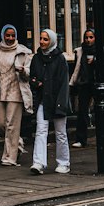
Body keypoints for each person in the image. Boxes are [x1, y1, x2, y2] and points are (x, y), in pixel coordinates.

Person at [0, 24, 32, 166]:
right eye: (8, 35)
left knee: (12, 125)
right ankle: (17, 143)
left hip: (16, 92)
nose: (10, 38)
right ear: (3, 35)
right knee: (0, 123)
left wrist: (23, 71)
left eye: (13, 35)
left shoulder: (23, 51)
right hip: (0, 91)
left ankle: (9, 157)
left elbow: (29, 74)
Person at [29, 27, 71, 175]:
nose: (42, 42)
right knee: (41, 130)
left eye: (45, 39)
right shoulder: (37, 58)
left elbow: (64, 83)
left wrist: (61, 104)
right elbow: (32, 77)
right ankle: (38, 162)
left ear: (52, 41)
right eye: (41, 38)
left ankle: (64, 162)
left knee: (60, 133)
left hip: (58, 99)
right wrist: (36, 83)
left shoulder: (60, 59)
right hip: (43, 99)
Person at [69, 27, 104, 147]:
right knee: (82, 112)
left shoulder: (103, 51)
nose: (88, 40)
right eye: (86, 37)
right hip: (85, 83)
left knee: (103, 110)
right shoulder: (80, 51)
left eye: (91, 37)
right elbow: (78, 67)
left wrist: (96, 61)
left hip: (98, 83)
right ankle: (81, 139)